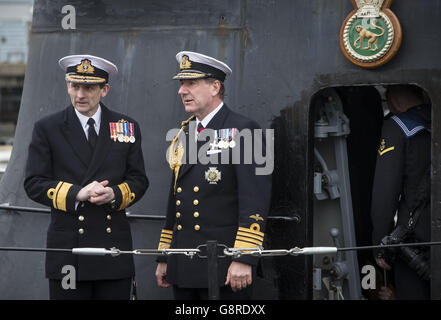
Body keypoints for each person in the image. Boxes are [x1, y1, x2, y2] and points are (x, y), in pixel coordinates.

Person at [24, 54, 149, 299]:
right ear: (67, 85)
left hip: (113, 248)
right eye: (75, 86)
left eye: (89, 88)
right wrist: (77, 193)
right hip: (69, 250)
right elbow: (34, 182)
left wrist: (115, 194)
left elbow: (139, 179)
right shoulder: (48, 128)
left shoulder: (126, 126)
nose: (80, 95)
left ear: (105, 90)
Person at [155, 51, 272, 299]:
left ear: (215, 87)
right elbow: (175, 198)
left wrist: (244, 257)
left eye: (191, 83)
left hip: (225, 266)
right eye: (181, 84)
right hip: (184, 262)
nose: (182, 91)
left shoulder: (244, 130)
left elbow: (255, 199)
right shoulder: (184, 133)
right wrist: (166, 255)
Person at [371, 84, 431, 299]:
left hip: (415, 242)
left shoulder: (397, 126)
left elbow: (384, 195)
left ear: (393, 99)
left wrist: (380, 243)